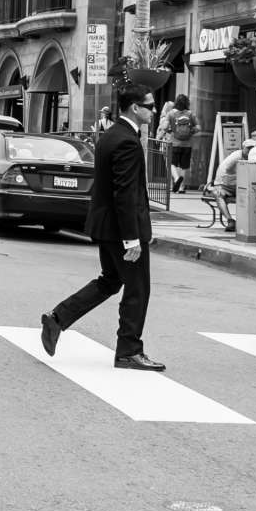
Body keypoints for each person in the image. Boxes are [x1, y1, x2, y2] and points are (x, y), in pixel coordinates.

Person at [40, 82, 163, 370]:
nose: (154, 111)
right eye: (150, 106)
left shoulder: (111, 135)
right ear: (135, 108)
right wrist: (131, 238)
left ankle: (58, 318)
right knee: (137, 289)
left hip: (108, 227)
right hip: (122, 230)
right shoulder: (127, 142)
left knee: (110, 281)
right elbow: (125, 193)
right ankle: (128, 350)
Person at [205, 143, 248, 231]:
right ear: (243, 148)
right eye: (248, 148)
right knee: (218, 194)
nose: (250, 150)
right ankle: (230, 221)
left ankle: (246, 222)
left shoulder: (254, 155)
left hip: (242, 187)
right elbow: (226, 170)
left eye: (252, 148)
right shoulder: (236, 157)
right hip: (226, 185)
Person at [162, 96, 198, 192]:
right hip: (187, 144)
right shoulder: (191, 114)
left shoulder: (171, 113)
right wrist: (190, 131)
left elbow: (164, 127)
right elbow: (198, 127)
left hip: (174, 143)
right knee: (184, 166)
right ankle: (181, 187)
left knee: (171, 163)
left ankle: (177, 178)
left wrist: (169, 129)